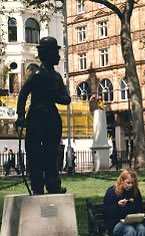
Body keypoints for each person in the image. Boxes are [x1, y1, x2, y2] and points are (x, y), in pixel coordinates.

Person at [15, 36, 71, 194]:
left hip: (52, 119)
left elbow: (66, 99)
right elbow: (23, 94)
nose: (59, 56)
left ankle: (53, 184)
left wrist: (55, 95)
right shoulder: (37, 74)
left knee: (52, 153)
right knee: (34, 154)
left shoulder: (57, 77)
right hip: (35, 119)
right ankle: (37, 185)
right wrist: (20, 115)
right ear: (47, 54)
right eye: (56, 52)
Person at [103, 169, 145, 236]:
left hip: (132, 221)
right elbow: (106, 212)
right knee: (129, 230)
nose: (130, 185)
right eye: (128, 183)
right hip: (115, 223)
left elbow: (139, 208)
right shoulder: (112, 192)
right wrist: (118, 206)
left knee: (141, 228)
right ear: (122, 181)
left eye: (132, 183)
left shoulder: (135, 192)